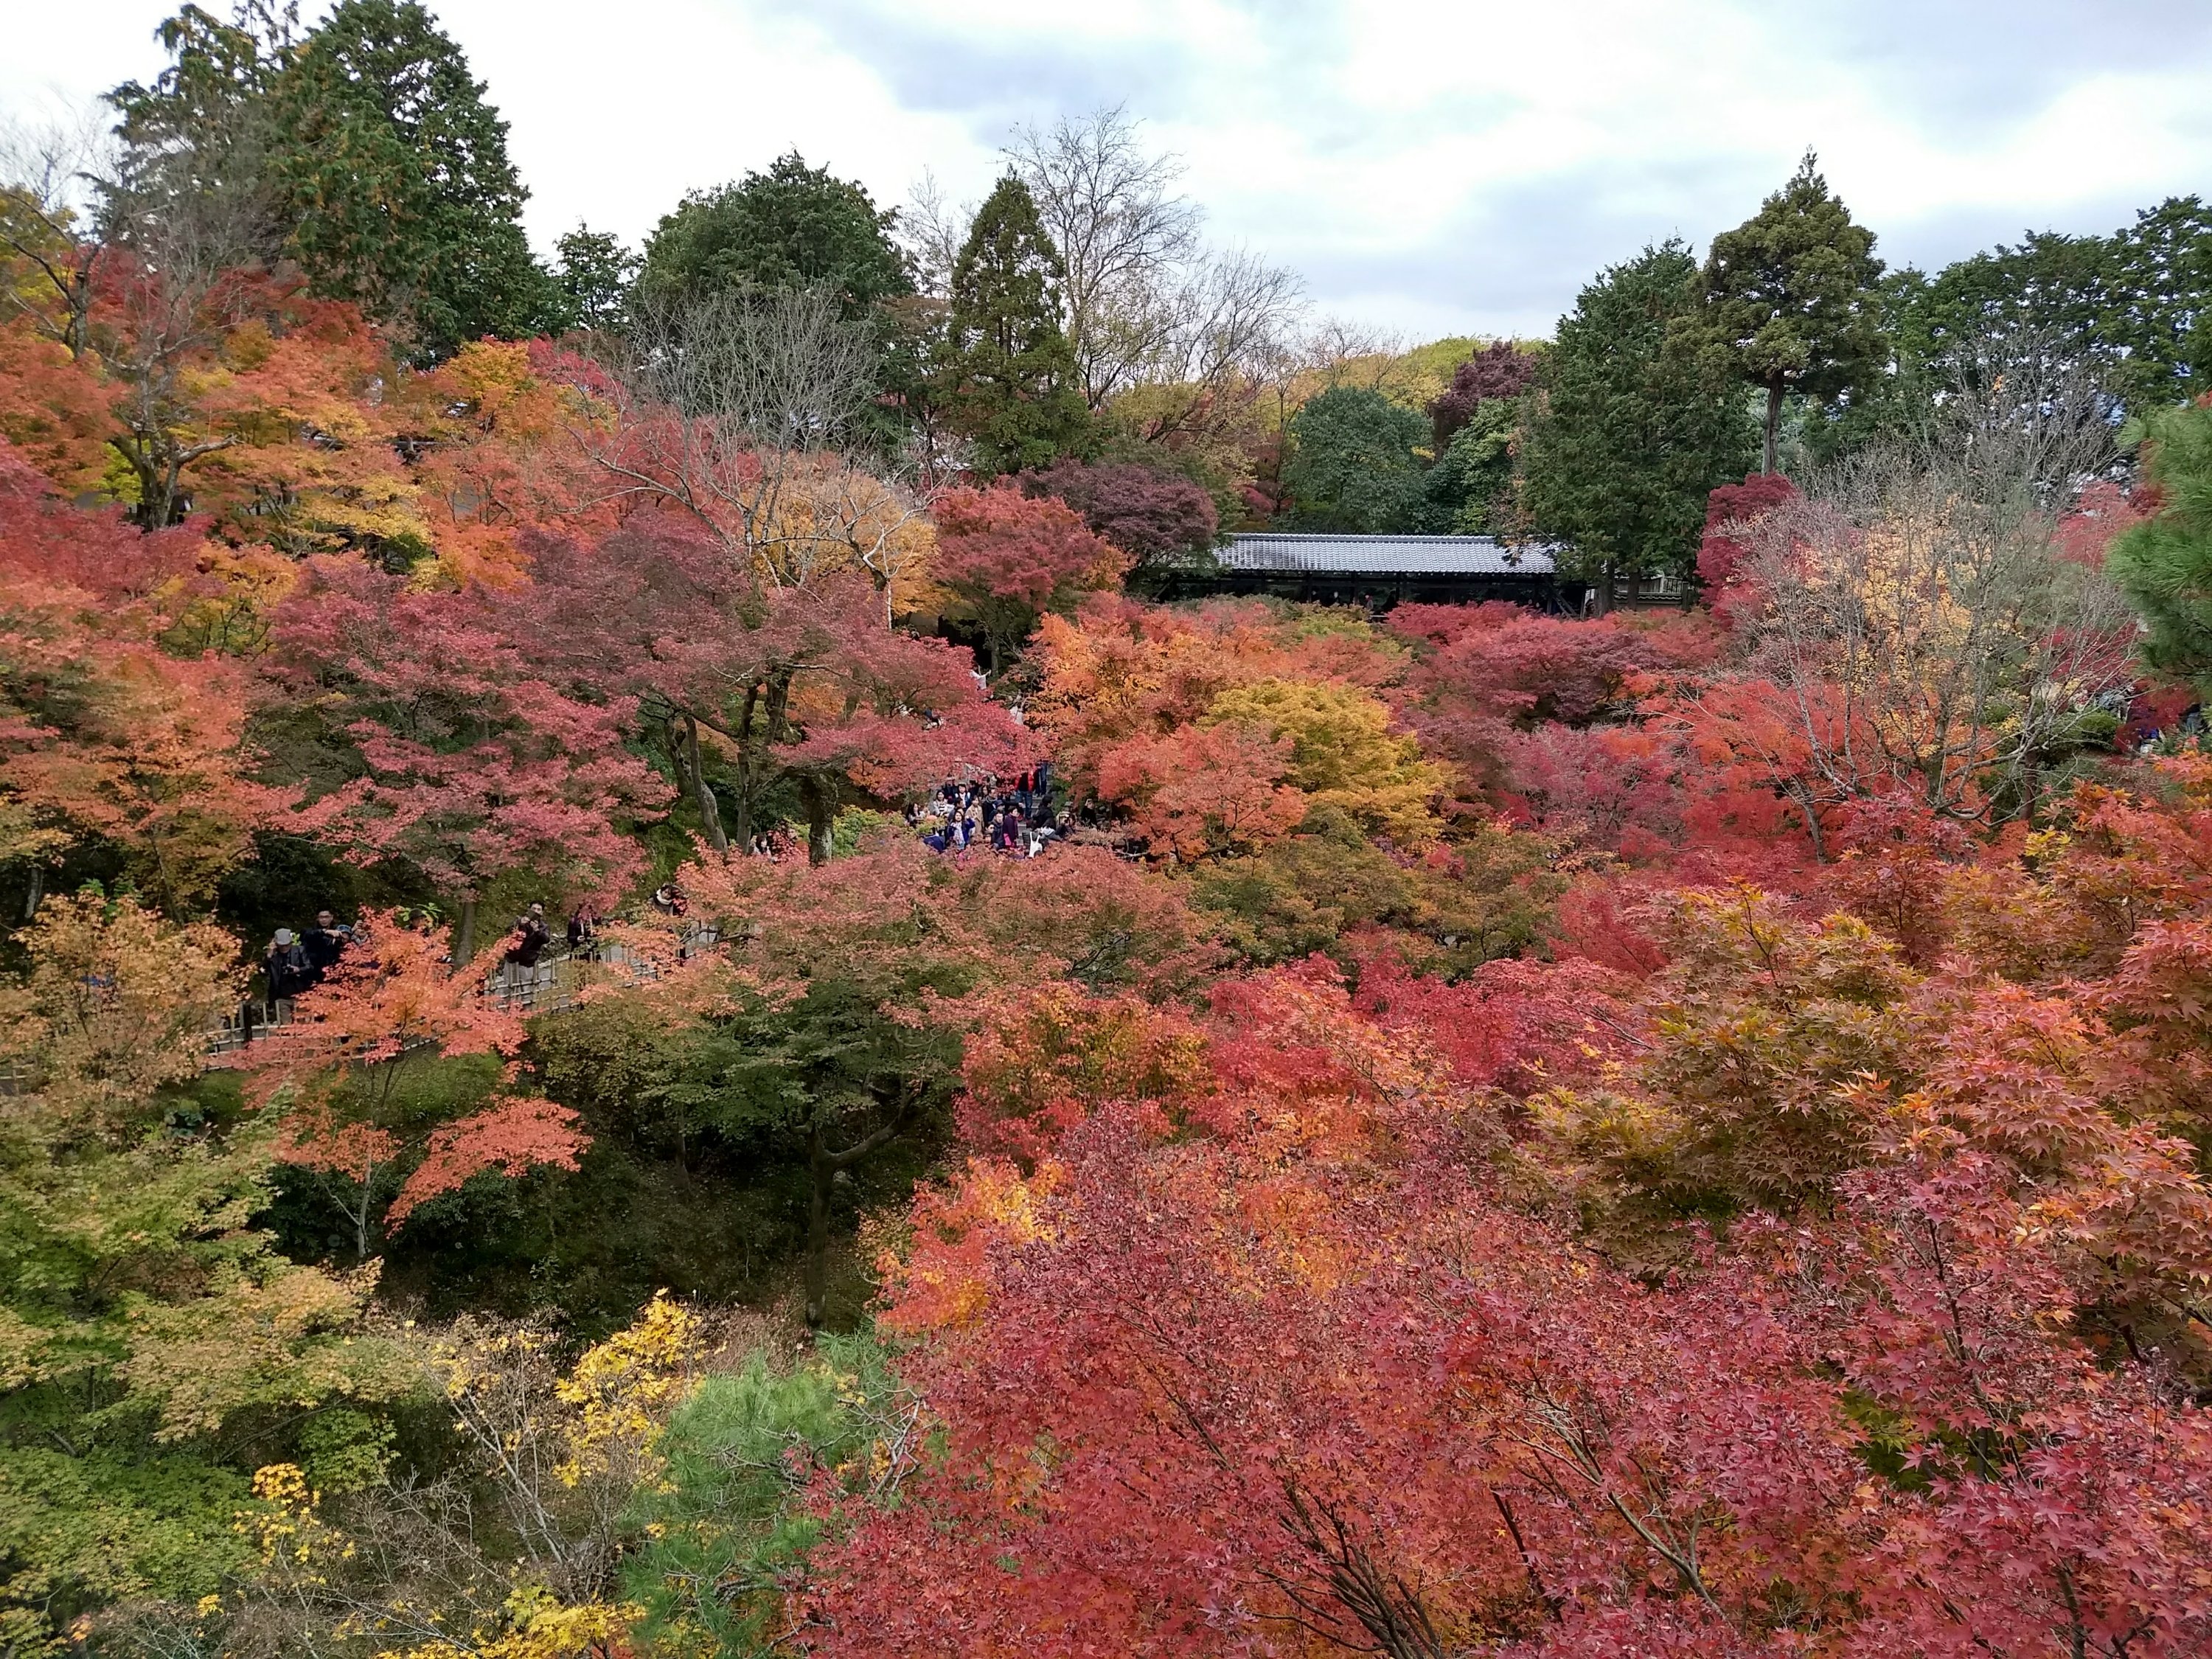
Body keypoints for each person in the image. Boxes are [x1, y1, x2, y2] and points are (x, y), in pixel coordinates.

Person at [301, 909, 352, 986]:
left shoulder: (338, 929)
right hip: (314, 967)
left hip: (332, 967)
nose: (324, 920)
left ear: (331, 917)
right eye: (321, 917)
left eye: (326, 917)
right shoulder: (310, 930)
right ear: (317, 918)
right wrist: (325, 931)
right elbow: (308, 935)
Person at [265, 928, 311, 1001]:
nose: (284, 947)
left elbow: (309, 967)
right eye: (281, 945)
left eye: (287, 945)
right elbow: (263, 971)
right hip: (280, 996)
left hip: (300, 994)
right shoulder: (273, 955)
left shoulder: (300, 950)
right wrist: (269, 956)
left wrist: (298, 969)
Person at [505, 903, 551, 968]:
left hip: (528, 962)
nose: (536, 911)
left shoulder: (543, 926)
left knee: (526, 978)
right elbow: (507, 931)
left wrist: (537, 930)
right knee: (509, 978)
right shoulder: (519, 920)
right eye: (534, 909)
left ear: (542, 913)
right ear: (529, 910)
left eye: (538, 910)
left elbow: (546, 939)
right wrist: (520, 924)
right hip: (511, 959)